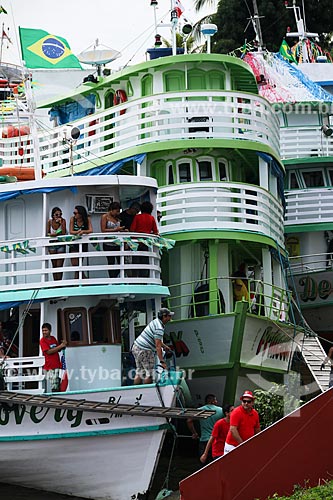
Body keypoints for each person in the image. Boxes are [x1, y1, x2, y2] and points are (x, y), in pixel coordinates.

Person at [131, 308, 173, 385]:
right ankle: (147, 393)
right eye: (169, 316)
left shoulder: (155, 322)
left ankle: (136, 392)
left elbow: (157, 341)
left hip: (136, 347)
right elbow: (157, 346)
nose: (170, 318)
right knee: (149, 374)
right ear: (164, 317)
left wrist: (164, 346)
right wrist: (162, 361)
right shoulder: (159, 328)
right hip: (145, 350)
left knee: (140, 372)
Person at [187, 394, 223, 463]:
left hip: (204, 440)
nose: (217, 401)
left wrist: (194, 433)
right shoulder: (220, 410)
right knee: (215, 463)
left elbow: (189, 421)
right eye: (215, 400)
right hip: (216, 441)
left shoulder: (200, 410)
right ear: (212, 401)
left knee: (203, 463)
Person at [224, 390, 260, 455]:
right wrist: (242, 444)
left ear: (252, 402)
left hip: (246, 446)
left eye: (248, 401)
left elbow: (257, 429)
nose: (246, 403)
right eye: (244, 401)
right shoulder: (236, 412)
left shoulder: (255, 414)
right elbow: (233, 429)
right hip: (232, 446)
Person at [130, 201, 159, 277]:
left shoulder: (137, 217)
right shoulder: (151, 218)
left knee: (135, 262)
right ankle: (144, 279)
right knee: (145, 262)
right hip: (146, 242)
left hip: (136, 242)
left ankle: (135, 279)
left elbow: (132, 230)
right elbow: (156, 232)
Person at [39, 322, 67, 392]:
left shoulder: (53, 338)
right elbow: (48, 352)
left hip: (57, 364)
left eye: (46, 330)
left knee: (57, 383)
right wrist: (60, 346)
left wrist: (63, 345)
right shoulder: (42, 341)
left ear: (50, 331)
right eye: (43, 330)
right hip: (49, 366)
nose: (44, 332)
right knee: (54, 386)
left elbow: (58, 349)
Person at [100, 201, 125, 278]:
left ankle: (118, 276)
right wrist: (116, 229)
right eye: (116, 211)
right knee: (111, 262)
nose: (117, 213)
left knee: (120, 261)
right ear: (111, 209)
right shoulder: (105, 217)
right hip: (108, 243)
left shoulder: (117, 218)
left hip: (117, 243)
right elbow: (103, 230)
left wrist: (122, 230)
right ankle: (112, 278)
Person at [69, 205, 93, 279]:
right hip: (74, 243)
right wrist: (77, 232)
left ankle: (77, 280)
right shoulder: (72, 219)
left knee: (79, 264)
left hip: (83, 244)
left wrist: (83, 231)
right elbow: (71, 231)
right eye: (74, 213)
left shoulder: (87, 219)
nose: (74, 215)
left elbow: (91, 230)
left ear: (81, 214)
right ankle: (84, 278)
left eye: (76, 213)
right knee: (75, 264)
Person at [47, 206, 67, 281]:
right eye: (56, 215)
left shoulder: (63, 221)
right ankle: (55, 282)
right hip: (52, 244)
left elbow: (64, 232)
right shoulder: (50, 222)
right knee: (54, 265)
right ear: (53, 215)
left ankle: (59, 282)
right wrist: (52, 235)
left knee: (59, 265)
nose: (58, 216)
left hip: (60, 244)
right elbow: (48, 233)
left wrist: (61, 223)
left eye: (60, 214)